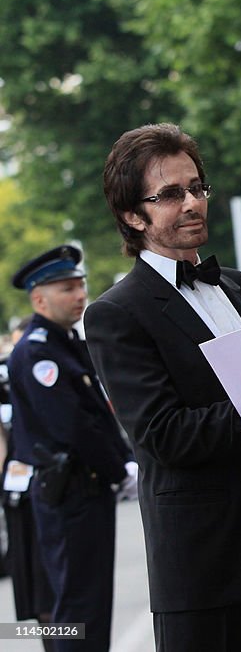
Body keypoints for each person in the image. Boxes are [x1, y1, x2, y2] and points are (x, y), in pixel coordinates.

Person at [84, 124, 241, 652]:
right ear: (131, 214)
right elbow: (163, 436)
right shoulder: (116, 314)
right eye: (169, 194)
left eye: (196, 188)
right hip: (206, 568)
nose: (191, 203)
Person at [7, 245, 135, 652]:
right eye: (67, 288)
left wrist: (124, 462)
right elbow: (72, 426)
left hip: (85, 490)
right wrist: (120, 469)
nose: (79, 295)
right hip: (69, 494)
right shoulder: (37, 351)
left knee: (90, 604)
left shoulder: (64, 343)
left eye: (80, 286)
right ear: (39, 298)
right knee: (78, 606)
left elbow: (96, 412)